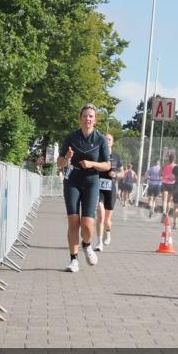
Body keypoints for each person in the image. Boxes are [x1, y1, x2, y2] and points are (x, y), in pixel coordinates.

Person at [57, 104, 111, 273]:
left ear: (95, 120)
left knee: (87, 225)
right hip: (72, 179)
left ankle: (86, 244)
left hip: (91, 181)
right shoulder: (71, 137)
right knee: (73, 221)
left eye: (91, 116)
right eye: (85, 116)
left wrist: (92, 164)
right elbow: (59, 163)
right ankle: (73, 260)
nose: (88, 119)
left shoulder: (101, 140)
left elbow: (107, 165)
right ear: (80, 118)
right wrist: (67, 157)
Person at [94, 133, 122, 252]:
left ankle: (108, 232)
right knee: (100, 214)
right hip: (98, 187)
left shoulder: (116, 156)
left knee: (107, 220)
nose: (107, 140)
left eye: (109, 139)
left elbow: (122, 173)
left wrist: (116, 175)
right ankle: (99, 242)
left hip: (111, 189)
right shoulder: (97, 154)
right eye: (105, 139)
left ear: (112, 142)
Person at [160, 152, 177, 216]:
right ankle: (167, 214)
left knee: (164, 200)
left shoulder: (164, 165)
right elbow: (177, 176)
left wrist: (163, 175)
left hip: (164, 183)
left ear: (168, 158)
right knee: (169, 201)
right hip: (172, 184)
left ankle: (164, 211)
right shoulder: (175, 166)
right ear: (174, 159)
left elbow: (159, 174)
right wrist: (173, 178)